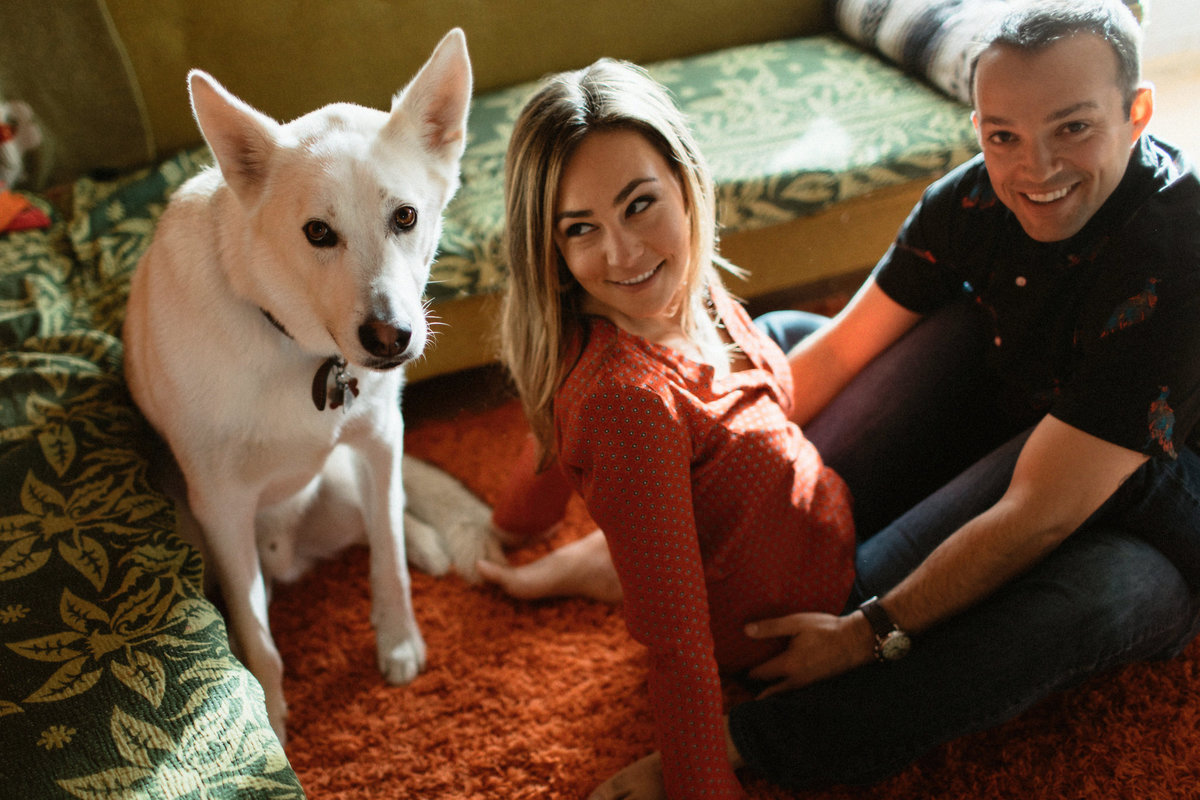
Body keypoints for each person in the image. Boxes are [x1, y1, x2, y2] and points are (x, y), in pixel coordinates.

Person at [481, 0, 1200, 796]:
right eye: (1004, 136)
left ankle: (765, 738)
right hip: (1026, 425)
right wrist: (657, 511)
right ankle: (659, 539)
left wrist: (868, 635)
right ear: (981, 127)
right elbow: (838, 352)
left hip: (1157, 489)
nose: (1035, 168)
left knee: (1125, 591)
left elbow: (1042, 507)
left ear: (1138, 115)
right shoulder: (977, 200)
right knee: (793, 333)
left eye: (1072, 128)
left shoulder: (1178, 256)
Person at [482, 56, 859, 799]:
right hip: (803, 611)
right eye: (580, 229)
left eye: (639, 204)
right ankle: (613, 558)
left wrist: (514, 523)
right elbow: (677, 648)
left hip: (811, 508)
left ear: (686, 184)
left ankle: (603, 558)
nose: (622, 254)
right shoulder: (624, 403)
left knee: (816, 331)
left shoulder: (683, 283)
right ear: (552, 254)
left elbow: (551, 445)